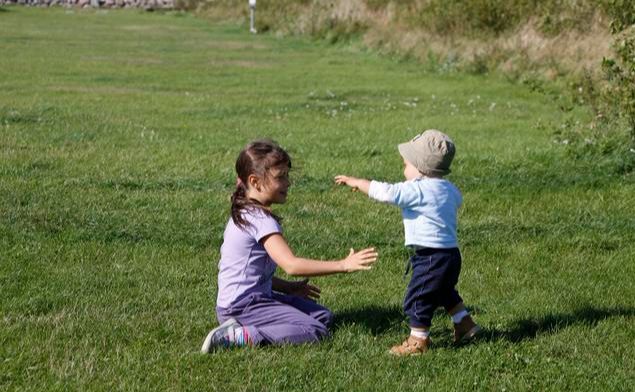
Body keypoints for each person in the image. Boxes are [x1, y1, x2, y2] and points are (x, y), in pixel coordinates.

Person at [201, 139, 378, 352]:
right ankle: (238, 336)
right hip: (243, 306)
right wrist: (343, 265)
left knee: (323, 316)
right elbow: (292, 265)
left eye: (287, 175)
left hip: (247, 300)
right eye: (280, 177)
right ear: (255, 182)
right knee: (315, 330)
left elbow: (251, 273)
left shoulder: (245, 211)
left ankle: (246, 326)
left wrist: (289, 289)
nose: (288, 183)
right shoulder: (260, 220)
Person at [334, 129, 480, 356]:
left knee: (418, 296)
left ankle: (418, 341)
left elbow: (385, 192)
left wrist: (357, 181)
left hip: (429, 257)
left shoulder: (417, 189)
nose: (403, 170)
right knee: (443, 292)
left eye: (405, 165)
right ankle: (465, 324)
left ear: (421, 168)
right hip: (451, 255)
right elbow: (454, 201)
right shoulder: (450, 189)